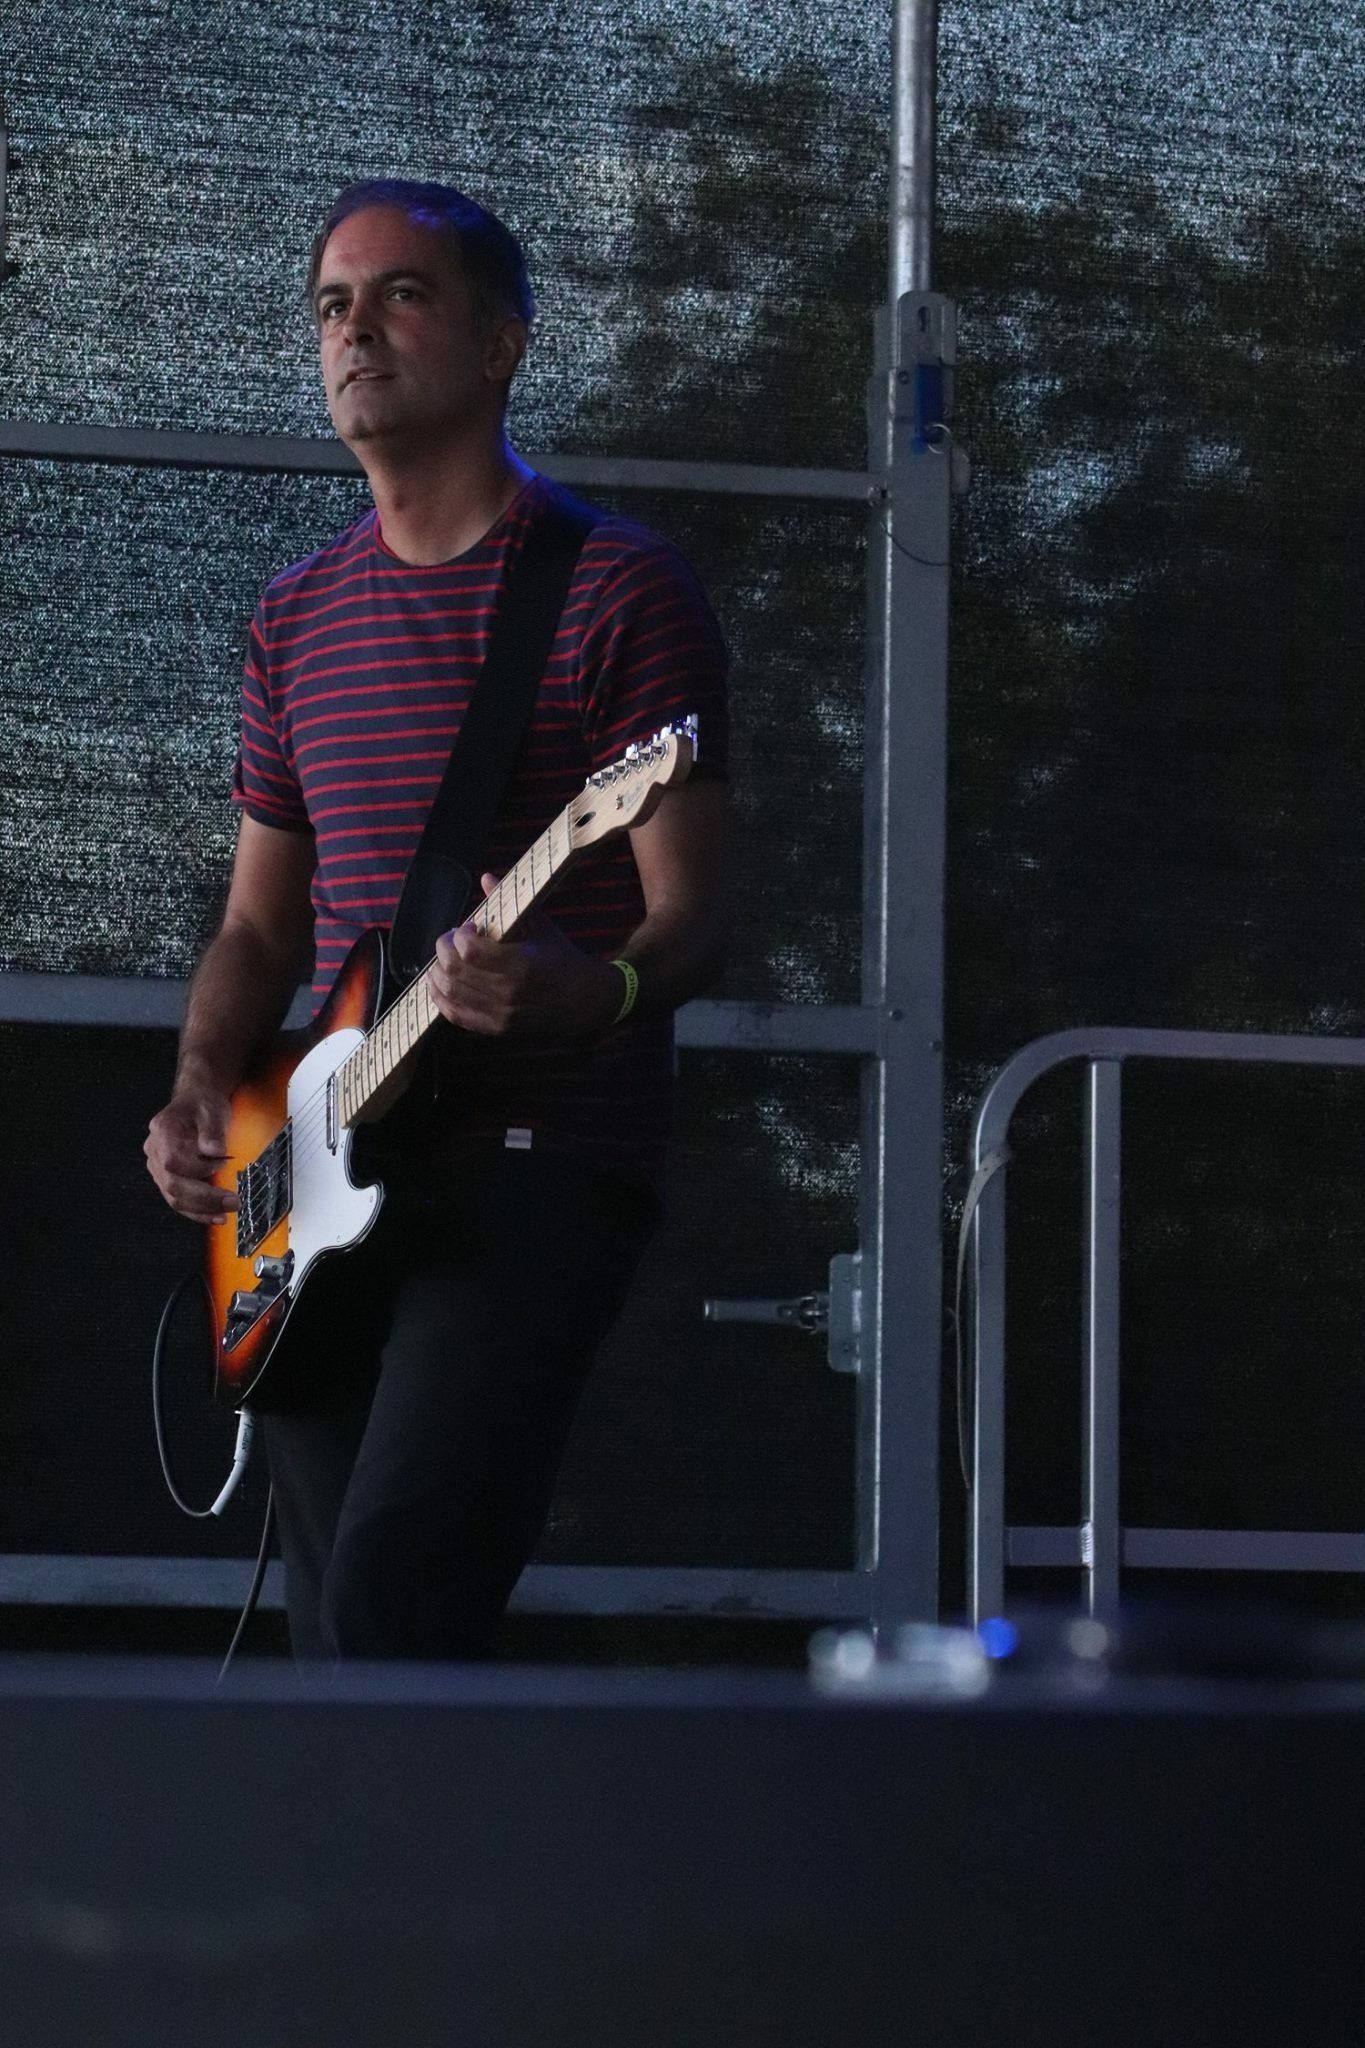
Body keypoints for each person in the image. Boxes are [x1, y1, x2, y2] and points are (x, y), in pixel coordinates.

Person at [144, 179, 730, 1662]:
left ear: (500, 346)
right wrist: (203, 1082)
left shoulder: (613, 587)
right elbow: (259, 930)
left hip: (535, 1162)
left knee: (402, 1591)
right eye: (332, 305)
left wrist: (588, 991)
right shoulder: (294, 616)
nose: (355, 331)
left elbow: (696, 919)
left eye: (400, 295)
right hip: (322, 1172)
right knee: (335, 1628)